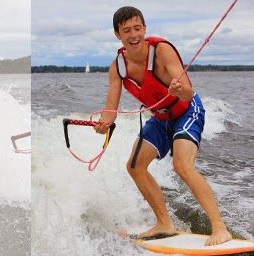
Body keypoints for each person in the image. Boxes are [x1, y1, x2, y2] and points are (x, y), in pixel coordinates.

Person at [95, 6, 231, 245]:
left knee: (182, 165)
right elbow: (110, 108)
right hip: (160, 117)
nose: (133, 35)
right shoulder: (118, 67)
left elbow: (188, 92)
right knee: (134, 166)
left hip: (188, 110)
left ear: (145, 29)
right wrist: (104, 123)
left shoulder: (162, 51)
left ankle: (220, 228)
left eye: (138, 28)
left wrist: (180, 89)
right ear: (118, 35)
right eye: (126, 30)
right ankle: (164, 224)